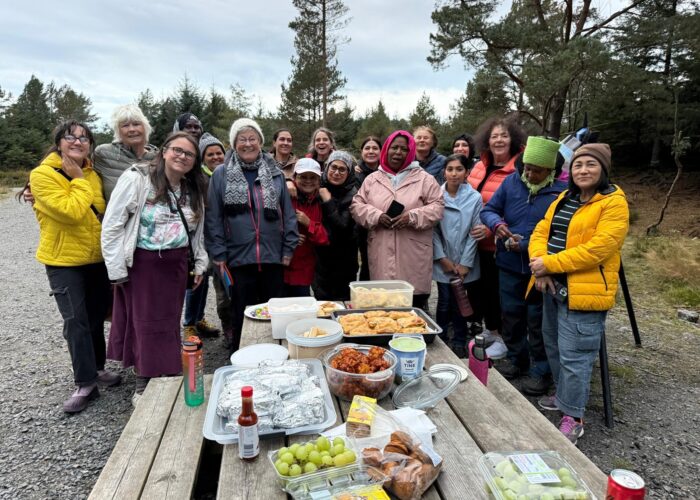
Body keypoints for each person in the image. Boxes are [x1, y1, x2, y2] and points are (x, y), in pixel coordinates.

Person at [528, 143, 629, 444]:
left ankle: (574, 417)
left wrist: (549, 264)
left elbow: (598, 249)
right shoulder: (564, 197)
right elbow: (541, 232)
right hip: (551, 286)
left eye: (591, 165)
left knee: (576, 356)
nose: (583, 170)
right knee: (554, 345)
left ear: (604, 169)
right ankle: (563, 396)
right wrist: (540, 266)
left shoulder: (614, 203)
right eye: (578, 165)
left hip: (584, 292)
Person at [102, 132, 208, 403]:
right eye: (177, 150)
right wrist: (116, 270)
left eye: (189, 154)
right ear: (164, 151)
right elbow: (112, 225)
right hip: (144, 264)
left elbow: (198, 232)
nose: (182, 156)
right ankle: (143, 381)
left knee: (170, 322)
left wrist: (199, 263)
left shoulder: (192, 188)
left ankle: (167, 371)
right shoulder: (137, 179)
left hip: (176, 265)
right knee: (145, 323)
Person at [28, 120, 121, 413]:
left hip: (96, 259)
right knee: (75, 321)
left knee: (95, 317)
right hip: (64, 262)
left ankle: (97, 368)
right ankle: (85, 383)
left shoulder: (93, 173)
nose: (77, 142)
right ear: (59, 142)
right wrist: (78, 179)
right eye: (70, 137)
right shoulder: (42, 175)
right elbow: (72, 211)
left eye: (84, 138)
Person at [480, 137, 566, 395]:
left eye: (536, 171)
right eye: (527, 168)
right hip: (508, 264)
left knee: (538, 320)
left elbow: (562, 232)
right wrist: (497, 224)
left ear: (551, 170)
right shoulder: (511, 182)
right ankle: (517, 359)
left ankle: (541, 370)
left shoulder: (561, 192)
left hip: (540, 268)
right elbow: (489, 210)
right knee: (511, 315)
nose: (529, 174)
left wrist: (527, 244)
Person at [205, 118, 298, 353]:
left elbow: (288, 214)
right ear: (234, 144)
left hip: (272, 257)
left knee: (274, 314)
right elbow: (214, 217)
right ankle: (242, 357)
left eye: (252, 139)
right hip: (237, 258)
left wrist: (288, 249)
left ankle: (276, 355)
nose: (248, 144)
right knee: (241, 314)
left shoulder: (275, 174)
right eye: (242, 139)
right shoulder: (221, 174)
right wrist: (218, 253)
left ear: (260, 142)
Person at [351, 130, 444, 308]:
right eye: (394, 147)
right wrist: (377, 216)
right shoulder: (372, 180)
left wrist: (412, 217)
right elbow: (357, 206)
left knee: (414, 310)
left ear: (411, 151)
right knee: (382, 309)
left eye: (404, 149)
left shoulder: (425, 179)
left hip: (413, 256)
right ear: (386, 149)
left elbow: (438, 207)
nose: (398, 152)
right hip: (381, 253)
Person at [467, 116, 528, 359]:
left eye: (504, 135)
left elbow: (519, 208)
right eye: (494, 136)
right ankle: (491, 330)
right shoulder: (479, 165)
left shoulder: (519, 168)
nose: (499, 140)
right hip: (475, 243)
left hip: (500, 243)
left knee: (501, 293)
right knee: (483, 291)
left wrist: (491, 228)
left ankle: (504, 338)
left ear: (513, 139)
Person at [432, 154, 482, 358]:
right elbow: (432, 230)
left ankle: (460, 339)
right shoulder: (435, 195)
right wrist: (441, 258)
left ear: (467, 172)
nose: (454, 173)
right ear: (444, 172)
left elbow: (475, 232)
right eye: (450, 169)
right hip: (443, 260)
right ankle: (440, 338)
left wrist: (466, 263)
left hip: (464, 260)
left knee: (461, 300)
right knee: (444, 300)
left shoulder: (475, 197)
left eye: (459, 169)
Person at [181, 133, 230, 341]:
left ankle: (201, 319)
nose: (216, 157)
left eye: (219, 153)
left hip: (221, 238)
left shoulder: (229, 174)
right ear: (202, 158)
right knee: (197, 280)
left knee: (217, 283)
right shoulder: (197, 178)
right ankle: (189, 323)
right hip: (200, 239)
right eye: (210, 154)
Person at [313, 151, 358, 300]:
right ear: (327, 168)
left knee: (342, 303)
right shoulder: (316, 187)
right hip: (321, 260)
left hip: (344, 261)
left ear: (349, 173)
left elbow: (342, 227)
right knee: (322, 304)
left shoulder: (354, 195)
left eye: (342, 169)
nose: (337, 173)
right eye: (334, 167)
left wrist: (328, 201)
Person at [94, 104, 158, 203]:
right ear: (118, 131)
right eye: (125, 125)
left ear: (145, 128)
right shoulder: (103, 153)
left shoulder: (158, 158)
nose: (131, 129)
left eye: (136, 124)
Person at [284, 158, 330, 296]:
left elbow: (324, 239)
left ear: (319, 180)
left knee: (301, 304)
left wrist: (309, 223)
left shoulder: (321, 201)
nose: (308, 181)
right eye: (303, 177)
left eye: (313, 177)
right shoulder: (285, 195)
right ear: (295, 177)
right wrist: (288, 236)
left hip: (303, 269)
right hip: (280, 266)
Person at [355, 136, 382, 281]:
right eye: (367, 148)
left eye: (375, 148)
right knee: (367, 263)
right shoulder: (355, 173)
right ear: (361, 151)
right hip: (362, 227)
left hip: (383, 224)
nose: (371, 151)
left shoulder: (388, 172)